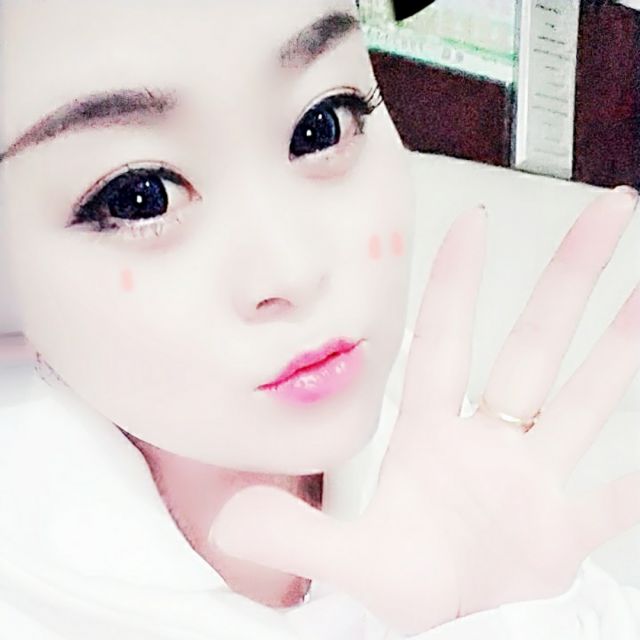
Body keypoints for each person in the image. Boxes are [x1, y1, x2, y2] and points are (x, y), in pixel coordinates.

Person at [0, 0, 638, 637]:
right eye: (139, 198)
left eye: (321, 126)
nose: (294, 271)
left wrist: (508, 618)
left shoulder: (434, 430)